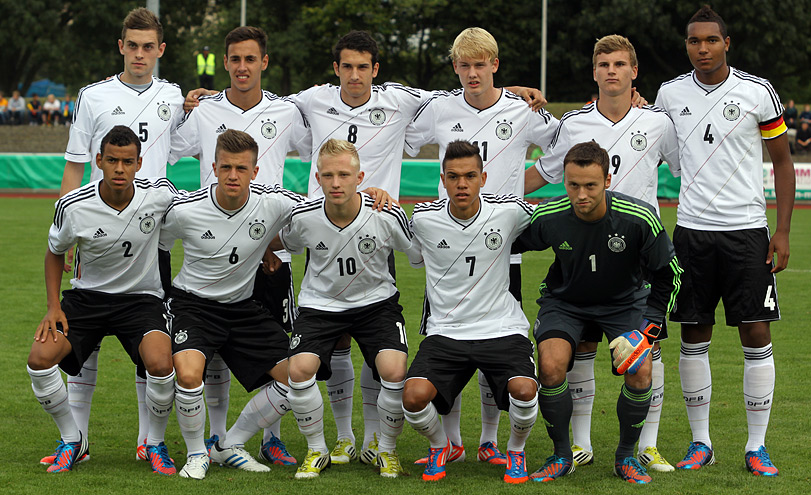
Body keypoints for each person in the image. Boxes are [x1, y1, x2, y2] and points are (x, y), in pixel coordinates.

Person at [524, 34, 680, 472]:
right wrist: (484, 199)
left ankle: (645, 445)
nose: (611, 71)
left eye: (620, 64)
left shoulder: (659, 123)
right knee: (580, 350)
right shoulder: (573, 123)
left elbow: (689, 166)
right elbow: (544, 171)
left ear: (634, 72)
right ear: (594, 73)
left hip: (637, 250)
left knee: (645, 354)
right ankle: (579, 444)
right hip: (582, 246)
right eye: (604, 65)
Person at [403, 26, 557, 466]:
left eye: (480, 64)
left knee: (496, 344)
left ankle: (490, 437)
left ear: (495, 64)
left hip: (499, 240)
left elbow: (560, 145)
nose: (472, 73)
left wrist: (526, 186)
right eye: (464, 65)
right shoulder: (439, 108)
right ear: (455, 67)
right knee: (445, 340)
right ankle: (450, 441)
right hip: (448, 240)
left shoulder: (522, 110)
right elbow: (402, 129)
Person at [39, 6, 185, 467]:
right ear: (121, 47)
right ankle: (76, 437)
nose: (140, 55)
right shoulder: (94, 96)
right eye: (132, 46)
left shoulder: (176, 96)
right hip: (98, 224)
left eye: (149, 47)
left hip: (152, 231)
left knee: (151, 345)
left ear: (160, 51)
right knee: (87, 339)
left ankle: (148, 439)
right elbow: (75, 162)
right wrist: (69, 221)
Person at [654, 5, 795, 476]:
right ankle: (701, 443)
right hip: (692, 233)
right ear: (687, 46)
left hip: (747, 233)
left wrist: (783, 230)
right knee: (693, 335)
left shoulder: (757, 92)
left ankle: (757, 446)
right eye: (694, 41)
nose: (702, 49)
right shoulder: (670, 94)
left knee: (756, 333)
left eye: (710, 40)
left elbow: (781, 163)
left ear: (726, 43)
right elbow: (654, 143)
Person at [170, 25, 311, 466]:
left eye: (251, 59)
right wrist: (182, 107)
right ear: (225, 62)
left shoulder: (287, 113)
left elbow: (317, 155)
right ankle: (214, 438)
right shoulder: (206, 112)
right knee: (209, 356)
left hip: (271, 252)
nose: (243, 67)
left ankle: (270, 438)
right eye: (235, 59)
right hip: (217, 248)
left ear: (264, 62)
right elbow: (168, 150)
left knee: (277, 348)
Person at [26, 126, 179, 475]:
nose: (120, 169)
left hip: (141, 300)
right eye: (112, 160)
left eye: (127, 161)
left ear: (140, 163)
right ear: (99, 161)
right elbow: (54, 252)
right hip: (87, 299)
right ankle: (72, 439)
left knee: (160, 362)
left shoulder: (160, 196)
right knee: (39, 358)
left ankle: (154, 442)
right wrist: (53, 306)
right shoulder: (73, 205)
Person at [160, 129, 303, 480]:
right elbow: (158, 244)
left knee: (299, 378)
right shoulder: (185, 210)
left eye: (241, 168)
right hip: (194, 306)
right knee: (190, 373)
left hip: (243, 307)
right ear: (213, 168)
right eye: (226, 167)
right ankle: (196, 454)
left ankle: (229, 444)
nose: (233, 175)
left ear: (255, 172)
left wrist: (371, 195)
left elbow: (325, 205)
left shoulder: (274, 202)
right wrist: (161, 298)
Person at [275, 139, 412, 479]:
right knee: (299, 370)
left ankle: (386, 449)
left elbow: (417, 252)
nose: (336, 183)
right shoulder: (303, 217)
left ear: (359, 177)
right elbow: (286, 243)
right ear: (318, 178)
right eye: (328, 175)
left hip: (376, 304)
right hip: (321, 305)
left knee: (393, 370)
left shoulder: (386, 213)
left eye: (344, 175)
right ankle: (318, 449)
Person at [403, 140, 539, 484]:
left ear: (483, 177)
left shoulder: (509, 210)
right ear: (443, 180)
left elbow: (550, 219)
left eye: (469, 176)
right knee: (413, 398)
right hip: (447, 332)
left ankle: (516, 451)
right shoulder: (423, 218)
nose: (461, 184)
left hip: (501, 328)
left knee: (524, 390)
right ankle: (441, 445)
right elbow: (411, 252)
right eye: (453, 177)